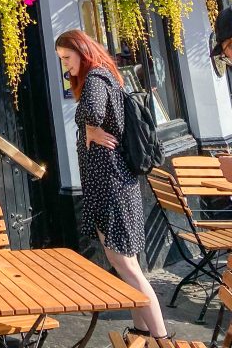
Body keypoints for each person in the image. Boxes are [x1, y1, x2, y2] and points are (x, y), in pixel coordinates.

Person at [55, 29, 169, 340]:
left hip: (110, 186)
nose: (66, 65)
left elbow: (93, 111)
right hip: (120, 183)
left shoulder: (94, 79)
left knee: (126, 266)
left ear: (82, 50)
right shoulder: (108, 77)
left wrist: (90, 128)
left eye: (67, 57)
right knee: (128, 267)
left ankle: (161, 338)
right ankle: (141, 332)